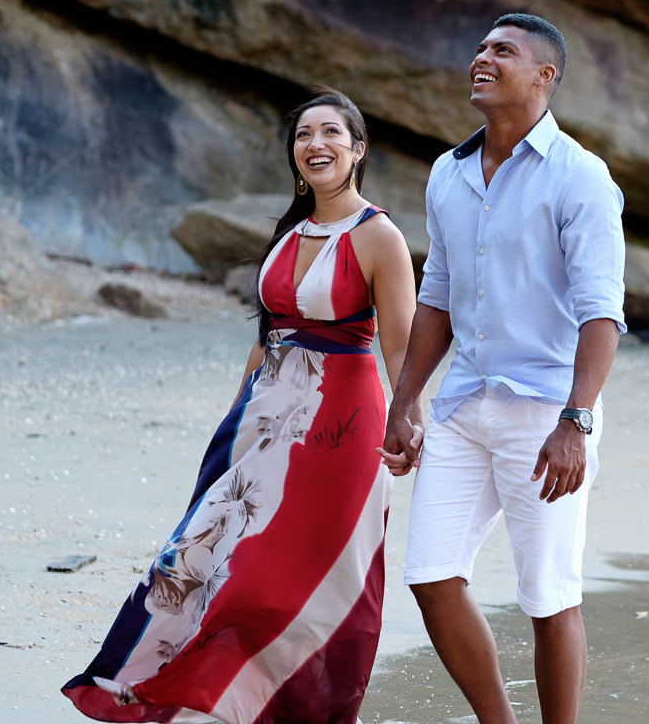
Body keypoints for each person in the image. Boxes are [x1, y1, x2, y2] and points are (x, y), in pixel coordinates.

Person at [63, 88, 417, 723]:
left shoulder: (379, 237)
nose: (317, 145)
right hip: (263, 417)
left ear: (358, 150)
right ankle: (206, 701)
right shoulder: (289, 232)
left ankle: (295, 708)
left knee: (288, 576)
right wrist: (231, 424)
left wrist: (407, 424)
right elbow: (266, 340)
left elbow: (402, 351)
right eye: (305, 135)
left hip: (337, 430)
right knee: (206, 558)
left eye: (332, 133)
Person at [379, 13, 626, 724]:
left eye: (503, 51)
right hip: (463, 407)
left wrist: (576, 420)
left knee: (549, 595)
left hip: (547, 412)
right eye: (481, 48)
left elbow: (601, 311)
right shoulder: (448, 173)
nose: (481, 59)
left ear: (544, 76)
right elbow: (437, 298)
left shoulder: (579, 176)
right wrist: (405, 401)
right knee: (430, 575)